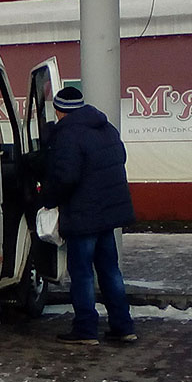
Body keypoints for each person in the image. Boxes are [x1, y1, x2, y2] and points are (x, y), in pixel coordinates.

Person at [41, 86, 137, 345]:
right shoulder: (106, 128)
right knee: (109, 270)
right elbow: (119, 158)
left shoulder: (68, 135)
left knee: (82, 273)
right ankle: (123, 326)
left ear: (60, 111)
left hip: (84, 216)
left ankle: (85, 329)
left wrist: (49, 198)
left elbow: (67, 176)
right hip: (107, 214)